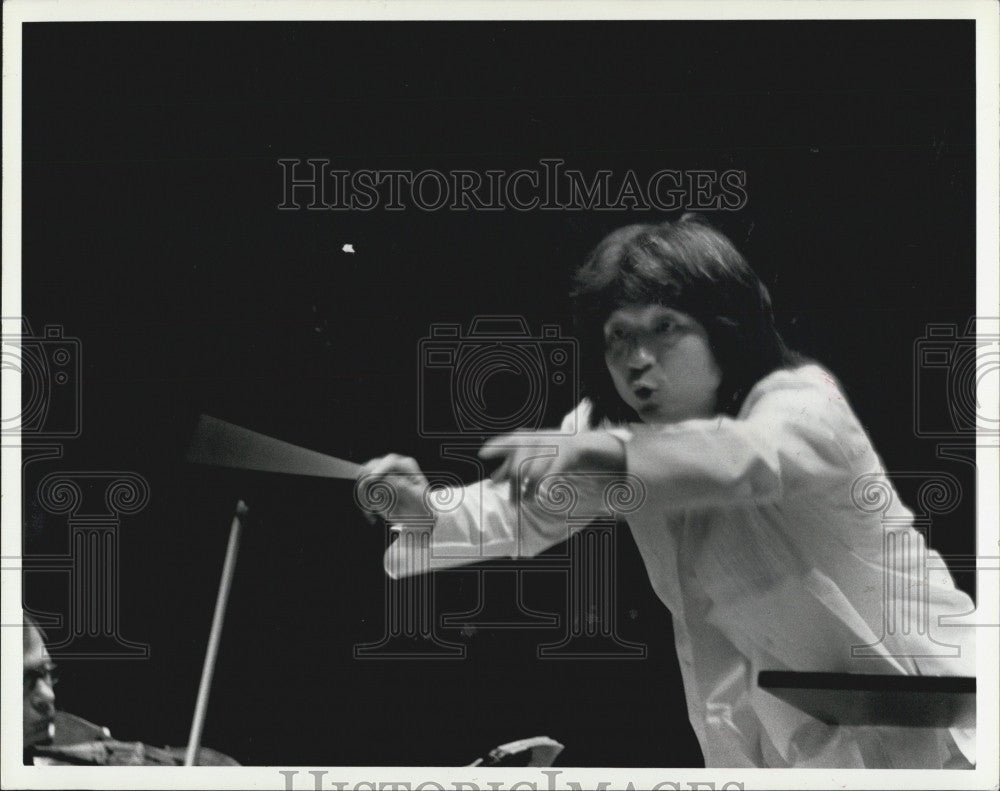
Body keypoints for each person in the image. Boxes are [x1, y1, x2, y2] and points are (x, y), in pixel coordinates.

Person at [357, 214, 976, 768]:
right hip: (777, 735)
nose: (637, 358)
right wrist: (423, 513)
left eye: (665, 326)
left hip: (933, 715)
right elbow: (525, 509)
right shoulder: (611, 433)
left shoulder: (802, 402)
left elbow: (746, 461)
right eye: (617, 335)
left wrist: (606, 452)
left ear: (724, 330)